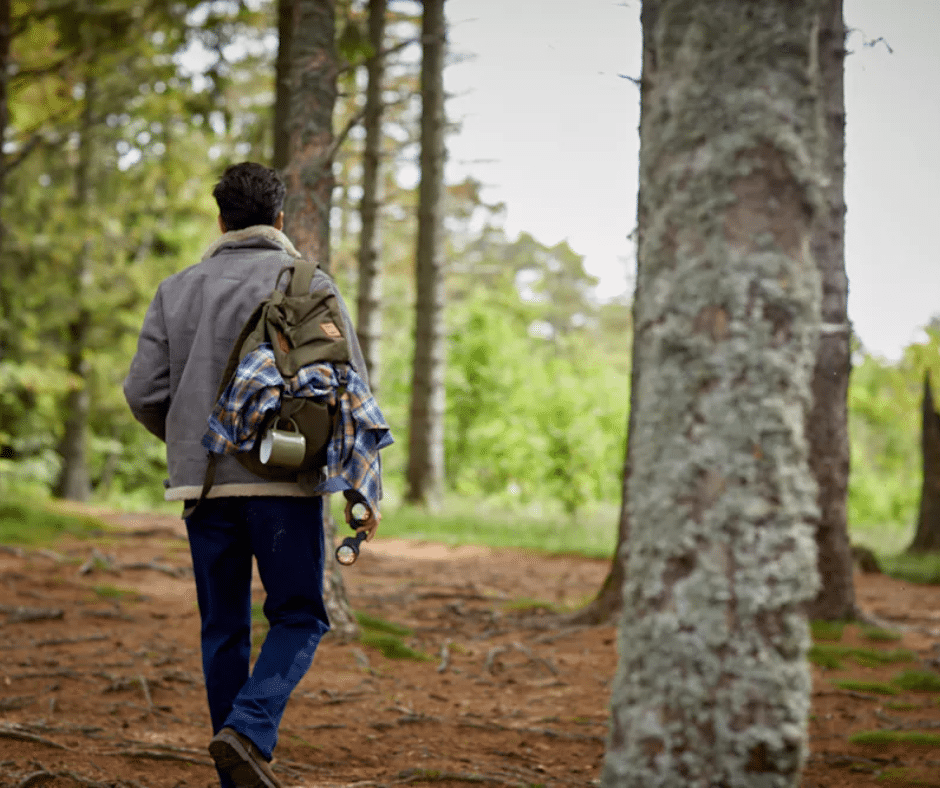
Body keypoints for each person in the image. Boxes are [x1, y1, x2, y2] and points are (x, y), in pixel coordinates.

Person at [124, 162, 381, 788]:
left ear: (221, 220)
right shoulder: (312, 282)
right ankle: (248, 731)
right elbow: (354, 390)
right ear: (281, 220)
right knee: (299, 616)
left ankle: (235, 764)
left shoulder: (176, 289)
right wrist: (361, 483)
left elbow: (142, 391)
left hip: (203, 486)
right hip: (285, 484)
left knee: (224, 627)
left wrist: (190, 442)